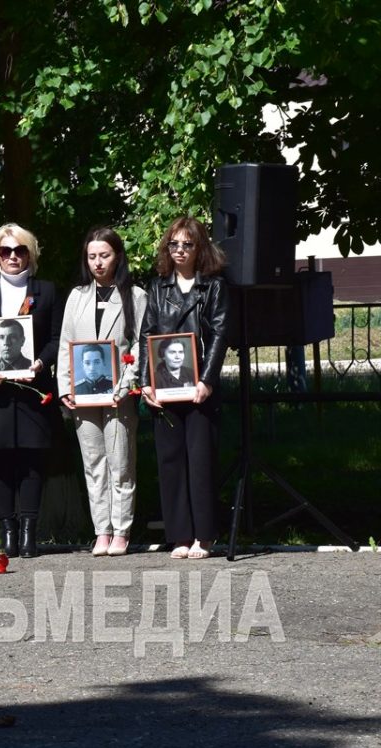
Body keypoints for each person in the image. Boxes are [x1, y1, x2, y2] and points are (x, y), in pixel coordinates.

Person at [0, 223, 62, 558]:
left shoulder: (45, 290)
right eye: (6, 251)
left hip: (34, 387)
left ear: (30, 253)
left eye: (20, 250)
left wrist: (40, 363)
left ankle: (29, 532)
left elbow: (54, 338)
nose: (13, 257)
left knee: (32, 460)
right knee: (1, 460)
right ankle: (7, 529)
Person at [140, 216, 229, 559]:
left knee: (201, 460)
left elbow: (220, 335)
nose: (179, 250)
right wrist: (147, 382)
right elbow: (147, 334)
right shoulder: (158, 286)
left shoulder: (214, 287)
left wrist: (207, 380)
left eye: (187, 244)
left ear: (199, 248)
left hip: (199, 388)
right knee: (171, 460)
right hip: (165, 386)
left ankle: (204, 537)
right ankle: (179, 535)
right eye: (174, 244)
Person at [58, 227, 147, 557]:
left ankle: (122, 529)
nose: (98, 262)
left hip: (118, 396)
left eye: (104, 255)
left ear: (118, 257)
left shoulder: (135, 296)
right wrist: (66, 388)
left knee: (121, 463)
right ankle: (102, 531)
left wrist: (125, 386)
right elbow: (67, 344)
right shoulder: (77, 296)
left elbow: (139, 344)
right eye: (92, 256)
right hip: (82, 397)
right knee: (93, 463)